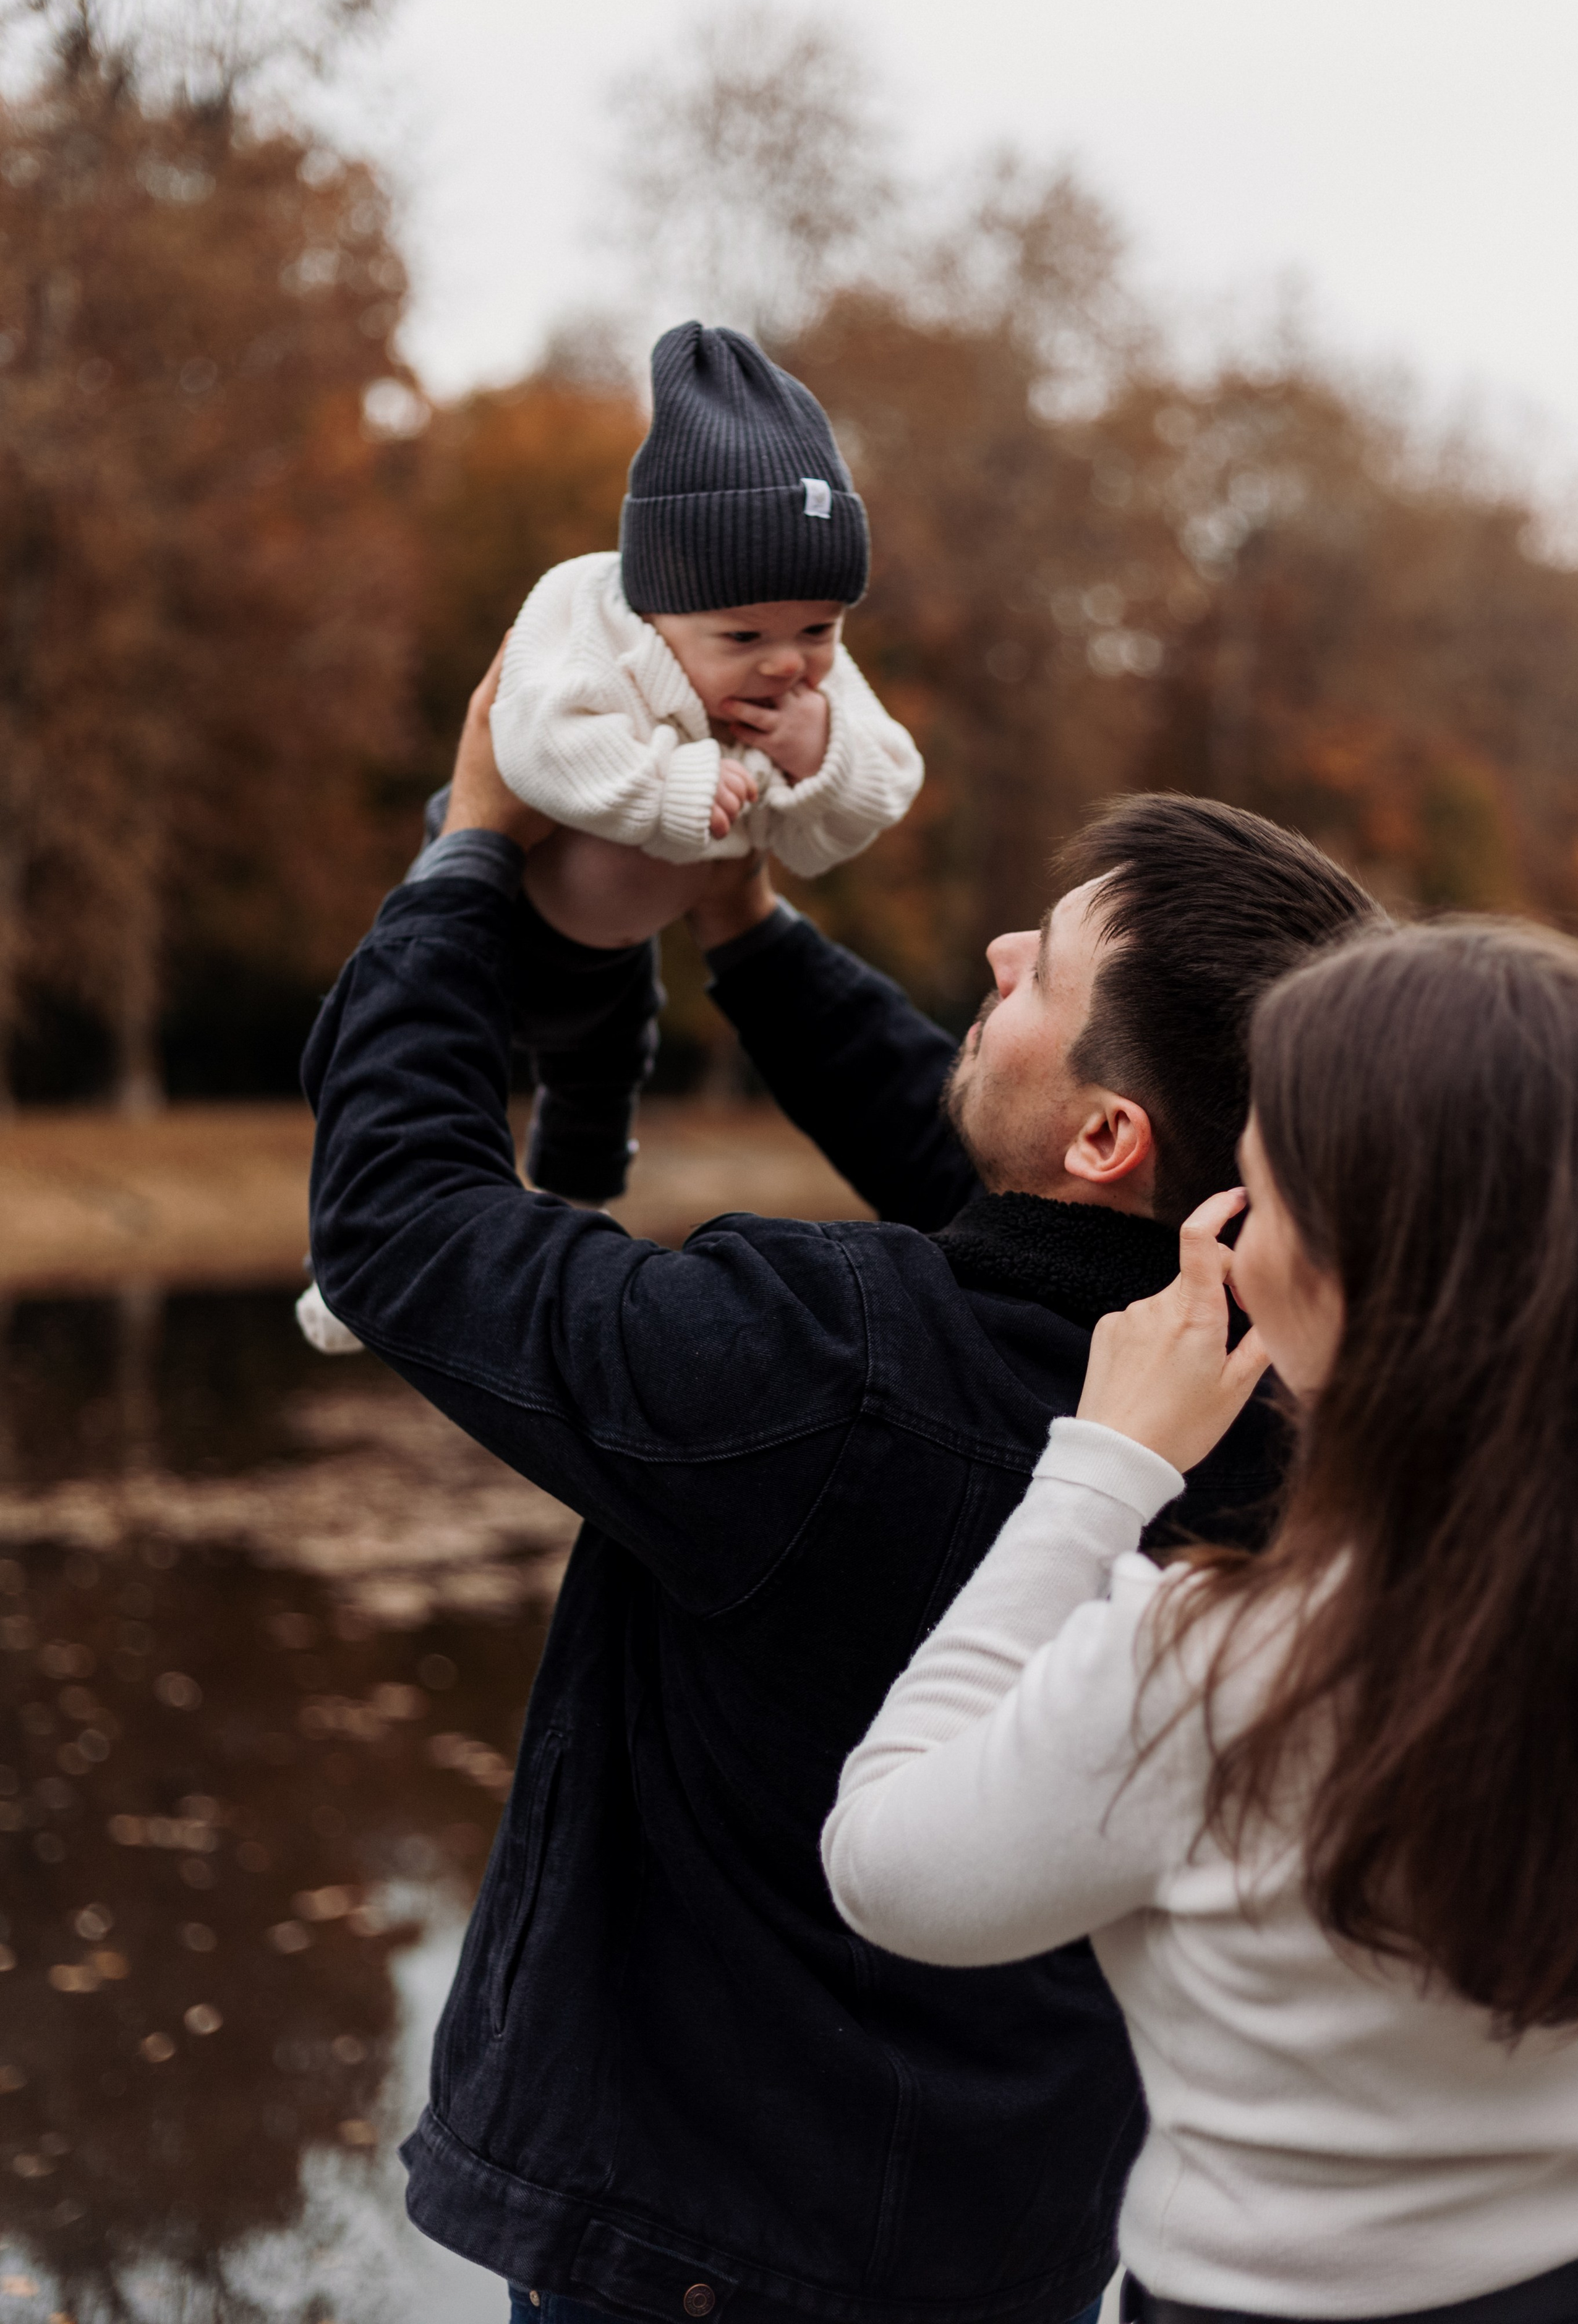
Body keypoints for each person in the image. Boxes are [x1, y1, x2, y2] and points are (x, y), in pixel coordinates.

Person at [301, 639, 1378, 2324]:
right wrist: (744, 929)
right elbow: (1026, 1192)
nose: (1002, 953)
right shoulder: (1309, 1428)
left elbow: (400, 1225)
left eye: (1039, 971)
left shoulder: (816, 1370)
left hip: (694, 2258)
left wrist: (466, 856)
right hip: (1015, 2248)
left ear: (1110, 1136)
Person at [824, 917, 1578, 2324]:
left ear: (1327, 1273)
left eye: (1258, 1188)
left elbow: (887, 1868)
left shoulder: (1204, 1665)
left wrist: (1099, 1465)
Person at [297, 324, 918, 1353]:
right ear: (656, 601)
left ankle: (571, 1222)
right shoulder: (587, 615)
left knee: (597, 1087)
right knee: (380, 1041)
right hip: (496, 906)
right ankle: (344, 1269)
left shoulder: (813, 681)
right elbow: (532, 743)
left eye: (819, 631)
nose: (786, 666)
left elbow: (882, 790)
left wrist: (824, 755)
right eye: (744, 639)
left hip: (618, 951)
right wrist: (678, 786)